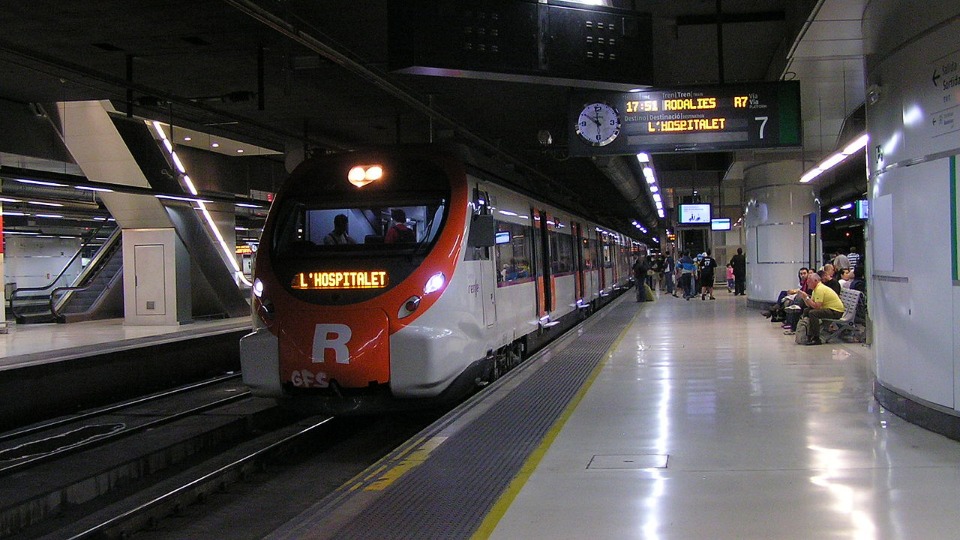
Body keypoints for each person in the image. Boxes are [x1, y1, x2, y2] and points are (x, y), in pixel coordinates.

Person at [796, 273, 844, 345]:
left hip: (836, 311)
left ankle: (816, 337)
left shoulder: (820, 289)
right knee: (807, 310)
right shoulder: (815, 289)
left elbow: (817, 307)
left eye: (809, 282)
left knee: (813, 313)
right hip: (830, 309)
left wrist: (806, 297)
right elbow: (810, 305)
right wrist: (804, 298)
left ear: (815, 281)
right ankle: (808, 333)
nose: (808, 284)